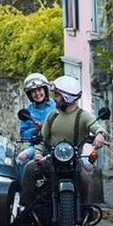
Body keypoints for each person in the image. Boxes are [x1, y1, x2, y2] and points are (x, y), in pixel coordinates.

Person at [19, 75, 107, 206]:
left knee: (85, 181)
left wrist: (100, 134)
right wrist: (38, 152)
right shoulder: (52, 115)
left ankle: (85, 210)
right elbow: (42, 138)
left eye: (58, 96)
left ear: (67, 98)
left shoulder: (82, 116)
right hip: (50, 159)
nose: (54, 98)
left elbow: (95, 126)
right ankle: (25, 205)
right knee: (29, 168)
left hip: (73, 162)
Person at [17, 73, 55, 171]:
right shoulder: (28, 111)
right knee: (21, 158)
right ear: (29, 94)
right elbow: (23, 134)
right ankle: (24, 186)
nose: (37, 93)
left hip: (56, 144)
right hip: (36, 146)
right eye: (33, 91)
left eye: (39, 90)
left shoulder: (56, 106)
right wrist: (35, 130)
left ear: (45, 90)